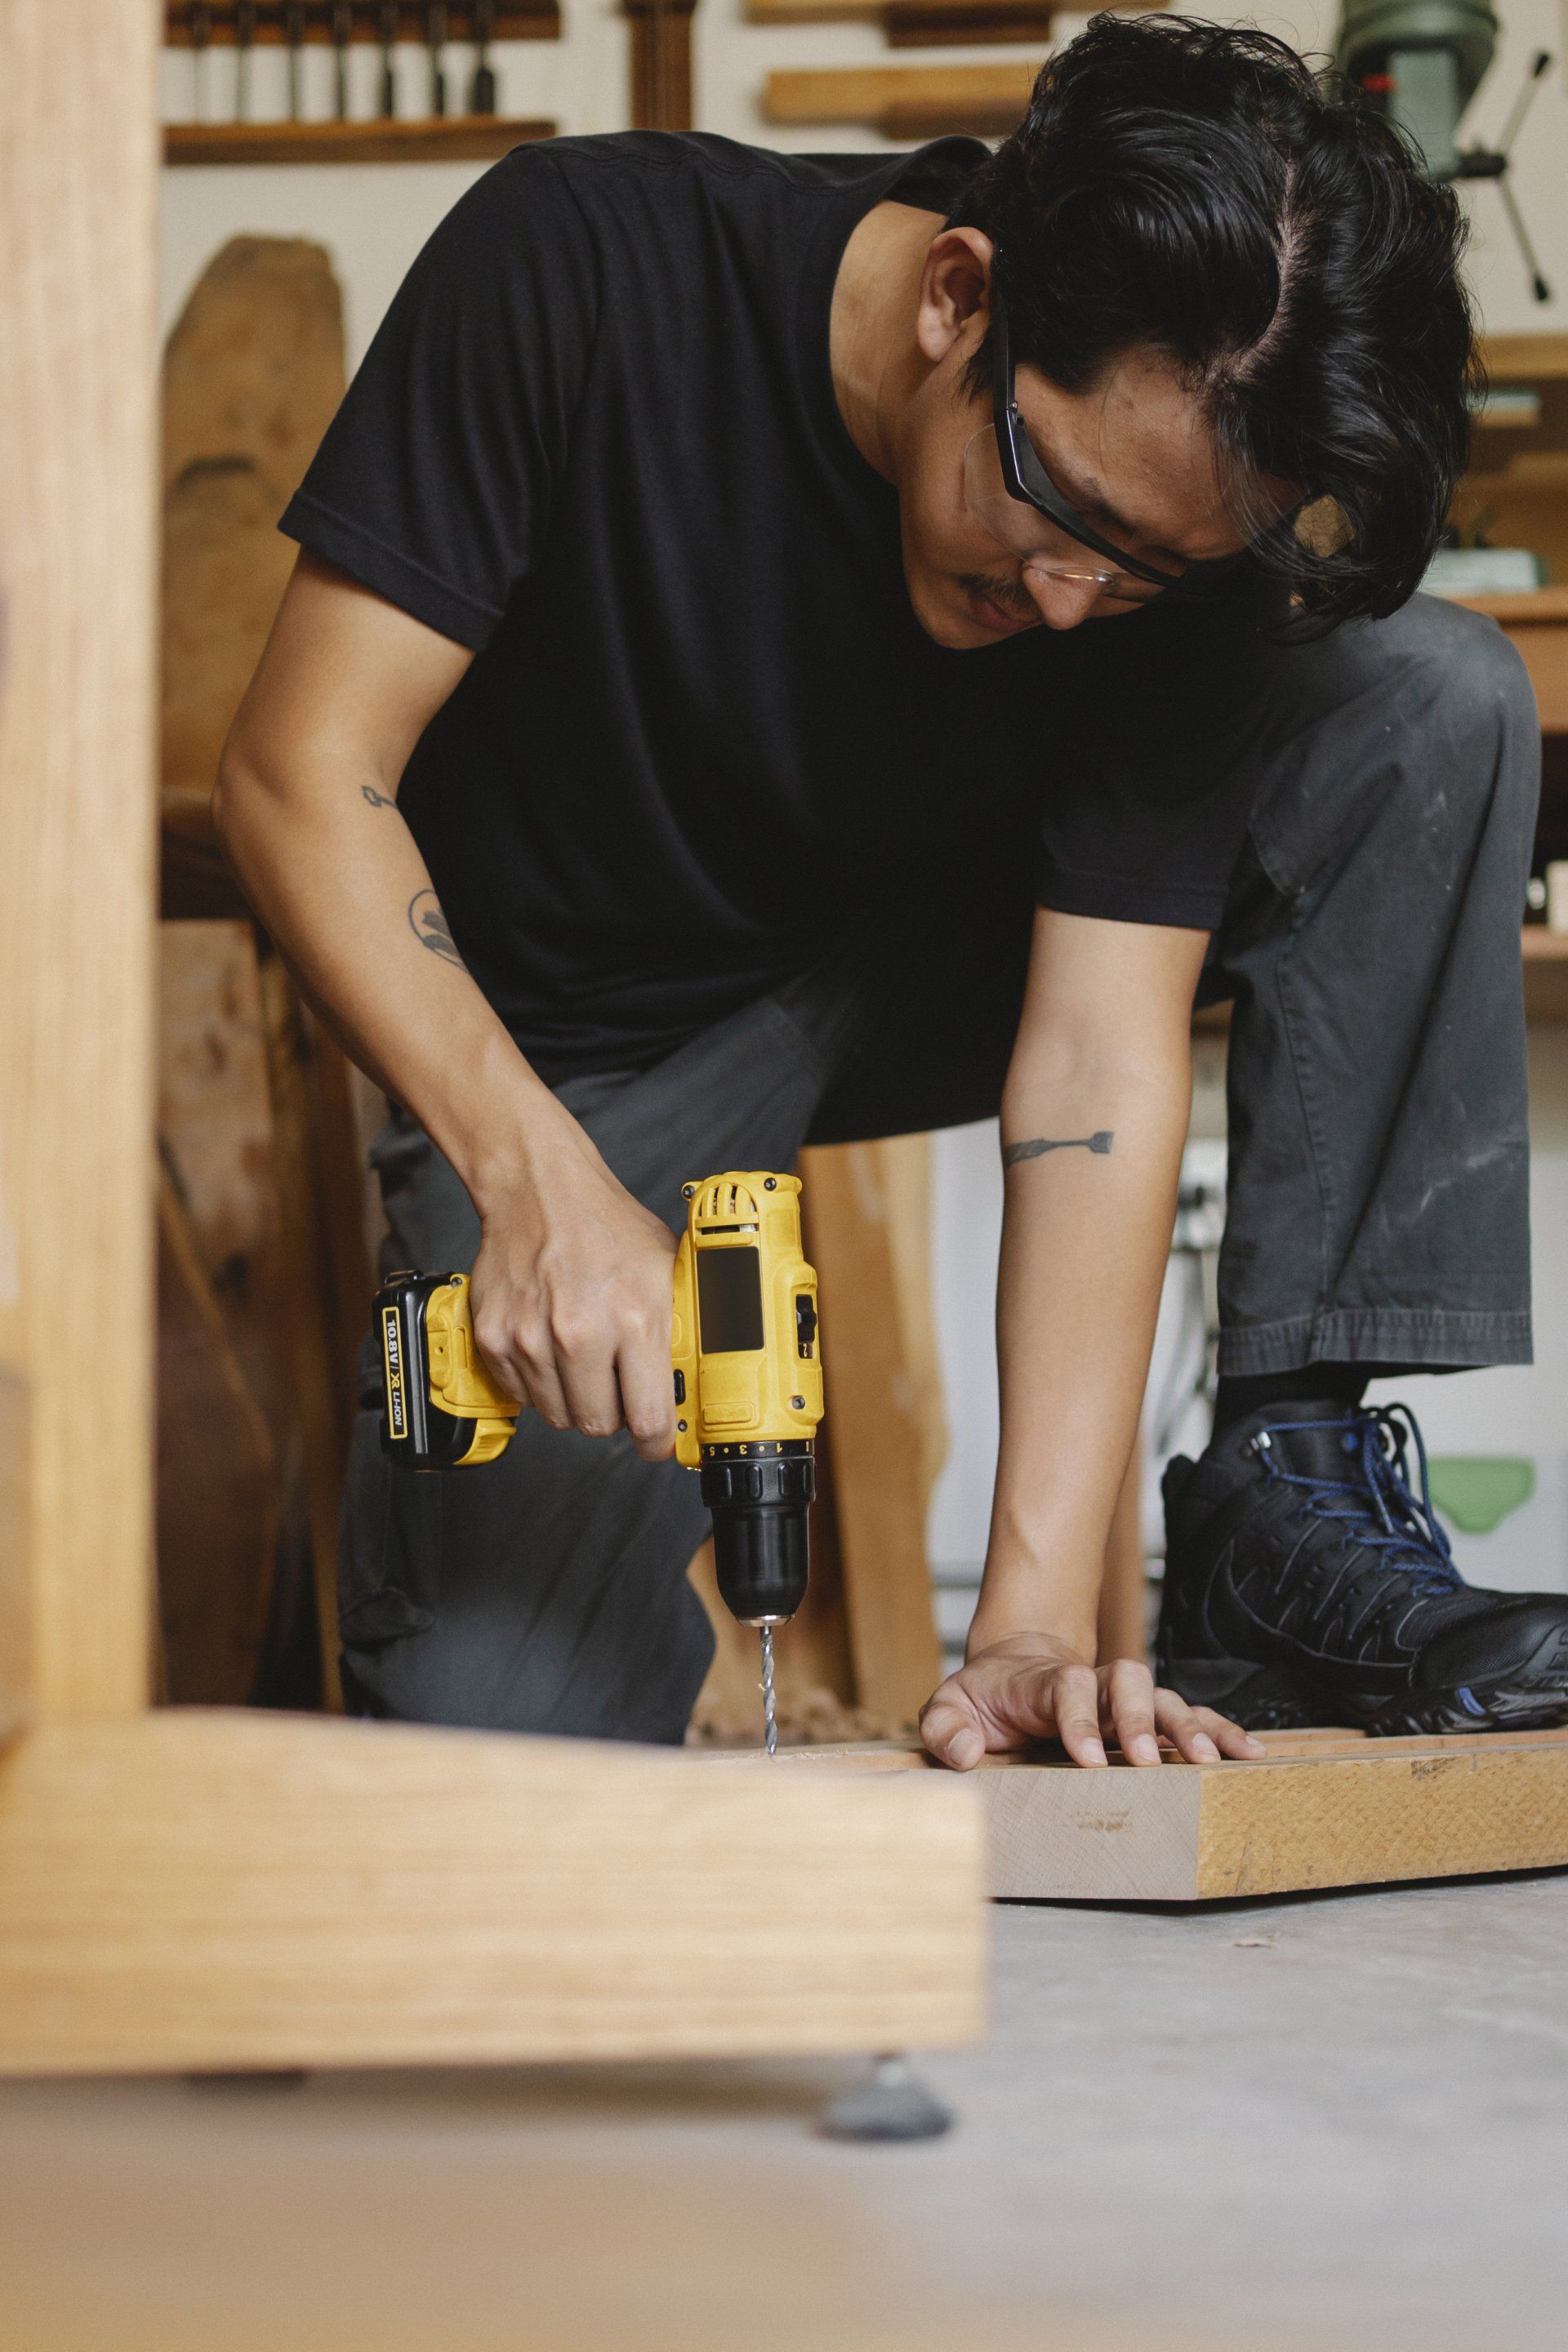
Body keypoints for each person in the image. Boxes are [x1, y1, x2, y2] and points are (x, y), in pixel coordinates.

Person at [215, 16, 1566, 1771]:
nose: (1077, 602)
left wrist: (1022, 1628)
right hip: (588, 1054)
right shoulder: (582, 260)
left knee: (1429, 696)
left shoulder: (1167, 519)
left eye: (1149, 572)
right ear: (956, 297)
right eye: (1055, 505)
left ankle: (1281, 1505)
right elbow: (297, 770)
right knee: (500, 1742)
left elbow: (1094, 1058)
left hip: (958, 963)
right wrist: (533, 1181)